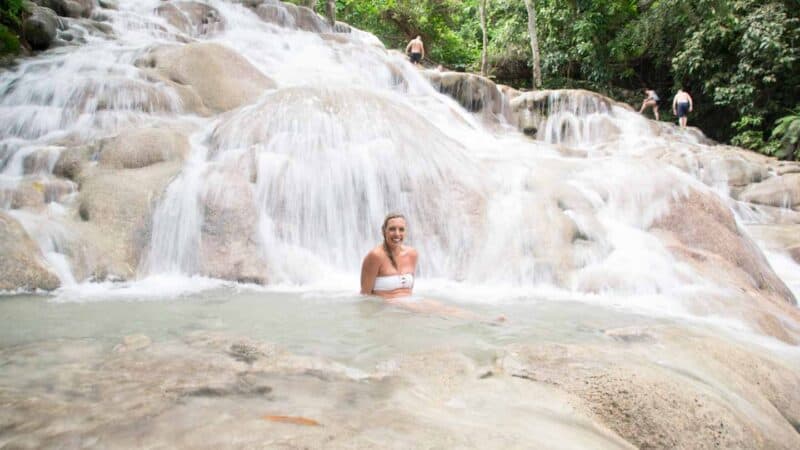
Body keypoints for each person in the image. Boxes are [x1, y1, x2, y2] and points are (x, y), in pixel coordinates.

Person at [360, 213, 505, 322]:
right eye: (392, 229)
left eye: (401, 229)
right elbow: (365, 294)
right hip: (389, 306)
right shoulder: (375, 256)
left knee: (445, 308)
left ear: (405, 232)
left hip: (409, 300)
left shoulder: (412, 254)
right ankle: (484, 323)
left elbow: (408, 289)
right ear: (384, 231)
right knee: (438, 315)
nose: (397, 234)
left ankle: (486, 320)